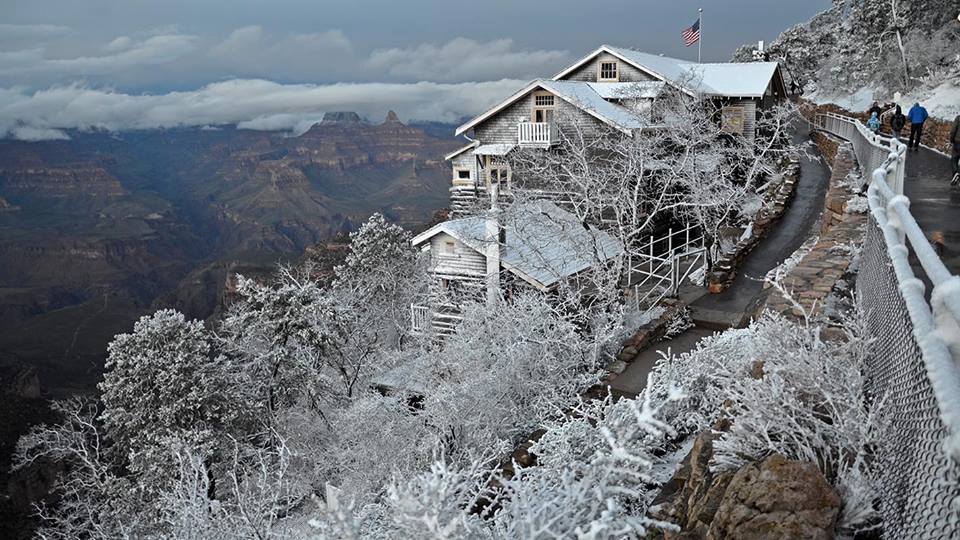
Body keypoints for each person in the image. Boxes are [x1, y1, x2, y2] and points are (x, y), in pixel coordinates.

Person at [950, 115, 960, 185]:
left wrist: (951, 140)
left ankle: (956, 173)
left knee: (954, 159)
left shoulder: (958, 118)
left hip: (958, 142)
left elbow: (953, 130)